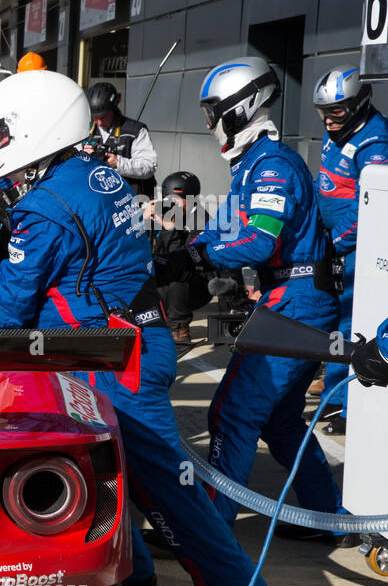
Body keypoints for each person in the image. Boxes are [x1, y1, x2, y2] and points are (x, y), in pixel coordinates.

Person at [0, 69, 276, 586]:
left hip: (115, 357)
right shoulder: (100, 178)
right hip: (124, 344)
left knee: (169, 487)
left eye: (1, 132)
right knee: (110, 466)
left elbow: (8, 307)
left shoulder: (46, 207)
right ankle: (130, 568)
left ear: (35, 127)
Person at [160, 56, 347, 544]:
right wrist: (180, 256)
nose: (209, 123)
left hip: (299, 301)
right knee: (281, 420)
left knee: (233, 412)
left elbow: (259, 242)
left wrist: (200, 259)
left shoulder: (273, 165)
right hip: (298, 297)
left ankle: (208, 530)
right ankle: (328, 517)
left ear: (241, 108)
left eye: (212, 111)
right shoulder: (252, 164)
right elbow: (225, 231)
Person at [311, 65, 388, 434]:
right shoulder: (337, 131)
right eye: (323, 111)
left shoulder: (375, 142)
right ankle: (331, 392)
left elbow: (368, 206)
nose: (327, 119)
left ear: (358, 104)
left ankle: (346, 405)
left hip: (358, 249)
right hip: (334, 245)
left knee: (350, 325)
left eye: (336, 110)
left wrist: (333, 246)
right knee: (332, 324)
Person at [143, 171, 209, 347]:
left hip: (197, 283)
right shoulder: (162, 215)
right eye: (167, 198)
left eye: (177, 199)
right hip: (165, 279)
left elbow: (185, 259)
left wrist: (171, 230)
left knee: (178, 277)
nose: (172, 204)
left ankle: (178, 327)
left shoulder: (201, 220)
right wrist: (141, 223)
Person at [83, 81, 157, 200]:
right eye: (95, 117)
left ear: (113, 108)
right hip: (102, 202)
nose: (99, 122)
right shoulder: (85, 132)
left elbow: (149, 166)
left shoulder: (135, 130)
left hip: (135, 200)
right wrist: (83, 158)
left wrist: (117, 163)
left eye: (103, 116)